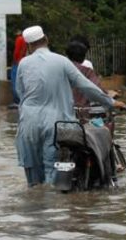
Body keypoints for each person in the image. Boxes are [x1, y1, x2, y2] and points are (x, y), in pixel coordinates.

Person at [15, 25, 115, 187]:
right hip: (56, 124)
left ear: (28, 46)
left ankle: (34, 203)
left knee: (32, 173)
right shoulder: (62, 62)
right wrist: (110, 102)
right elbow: (86, 86)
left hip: (28, 123)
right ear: (46, 40)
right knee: (52, 169)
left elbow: (20, 94)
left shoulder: (23, 64)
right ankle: (53, 206)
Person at [9, 30, 28, 105]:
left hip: (17, 62)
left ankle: (16, 101)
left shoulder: (19, 39)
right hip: (23, 61)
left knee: (15, 81)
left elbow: (16, 52)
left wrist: (15, 60)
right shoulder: (26, 40)